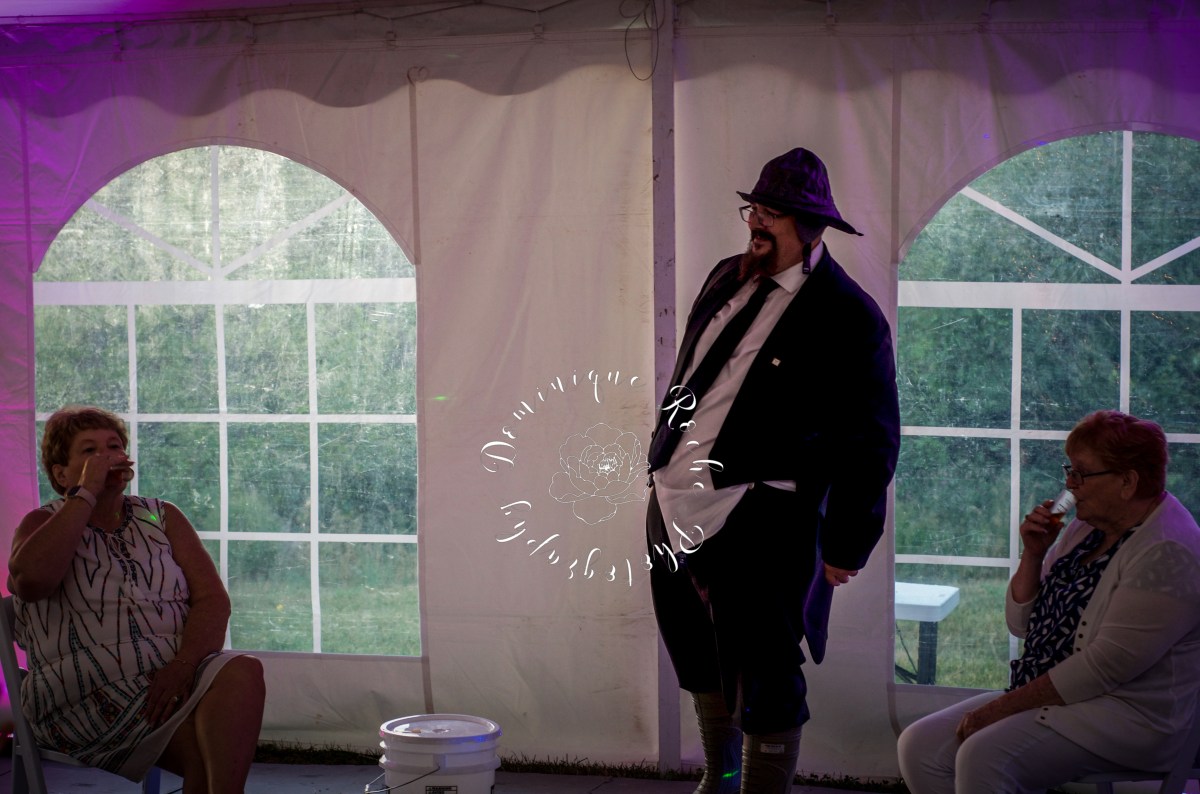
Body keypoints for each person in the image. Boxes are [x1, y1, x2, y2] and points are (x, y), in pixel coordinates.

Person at [645, 148, 901, 793]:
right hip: (674, 496)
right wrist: (665, 448)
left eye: (773, 213)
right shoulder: (724, 277)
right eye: (754, 208)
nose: (756, 222)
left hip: (761, 507)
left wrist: (847, 542)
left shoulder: (847, 312)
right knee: (694, 646)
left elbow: (871, 437)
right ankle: (720, 776)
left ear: (811, 227)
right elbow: (692, 372)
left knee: (764, 663)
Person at [897, 410, 1200, 794]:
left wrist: (1001, 709)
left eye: (1081, 474)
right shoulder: (1086, 529)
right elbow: (1021, 625)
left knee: (984, 755)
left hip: (1127, 716)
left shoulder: (1168, 552)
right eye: (1069, 471)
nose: (1069, 485)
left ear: (1127, 481)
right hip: (1060, 695)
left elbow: (1103, 668)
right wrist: (1034, 553)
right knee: (919, 745)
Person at [7, 405, 266, 792]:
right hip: (83, 692)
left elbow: (213, 601)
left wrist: (182, 666)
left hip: (172, 677)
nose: (107, 456)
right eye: (90, 451)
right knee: (206, 755)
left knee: (243, 670)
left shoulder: (161, 516)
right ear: (61, 474)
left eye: (114, 446)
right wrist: (86, 493)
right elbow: (30, 582)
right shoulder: (42, 523)